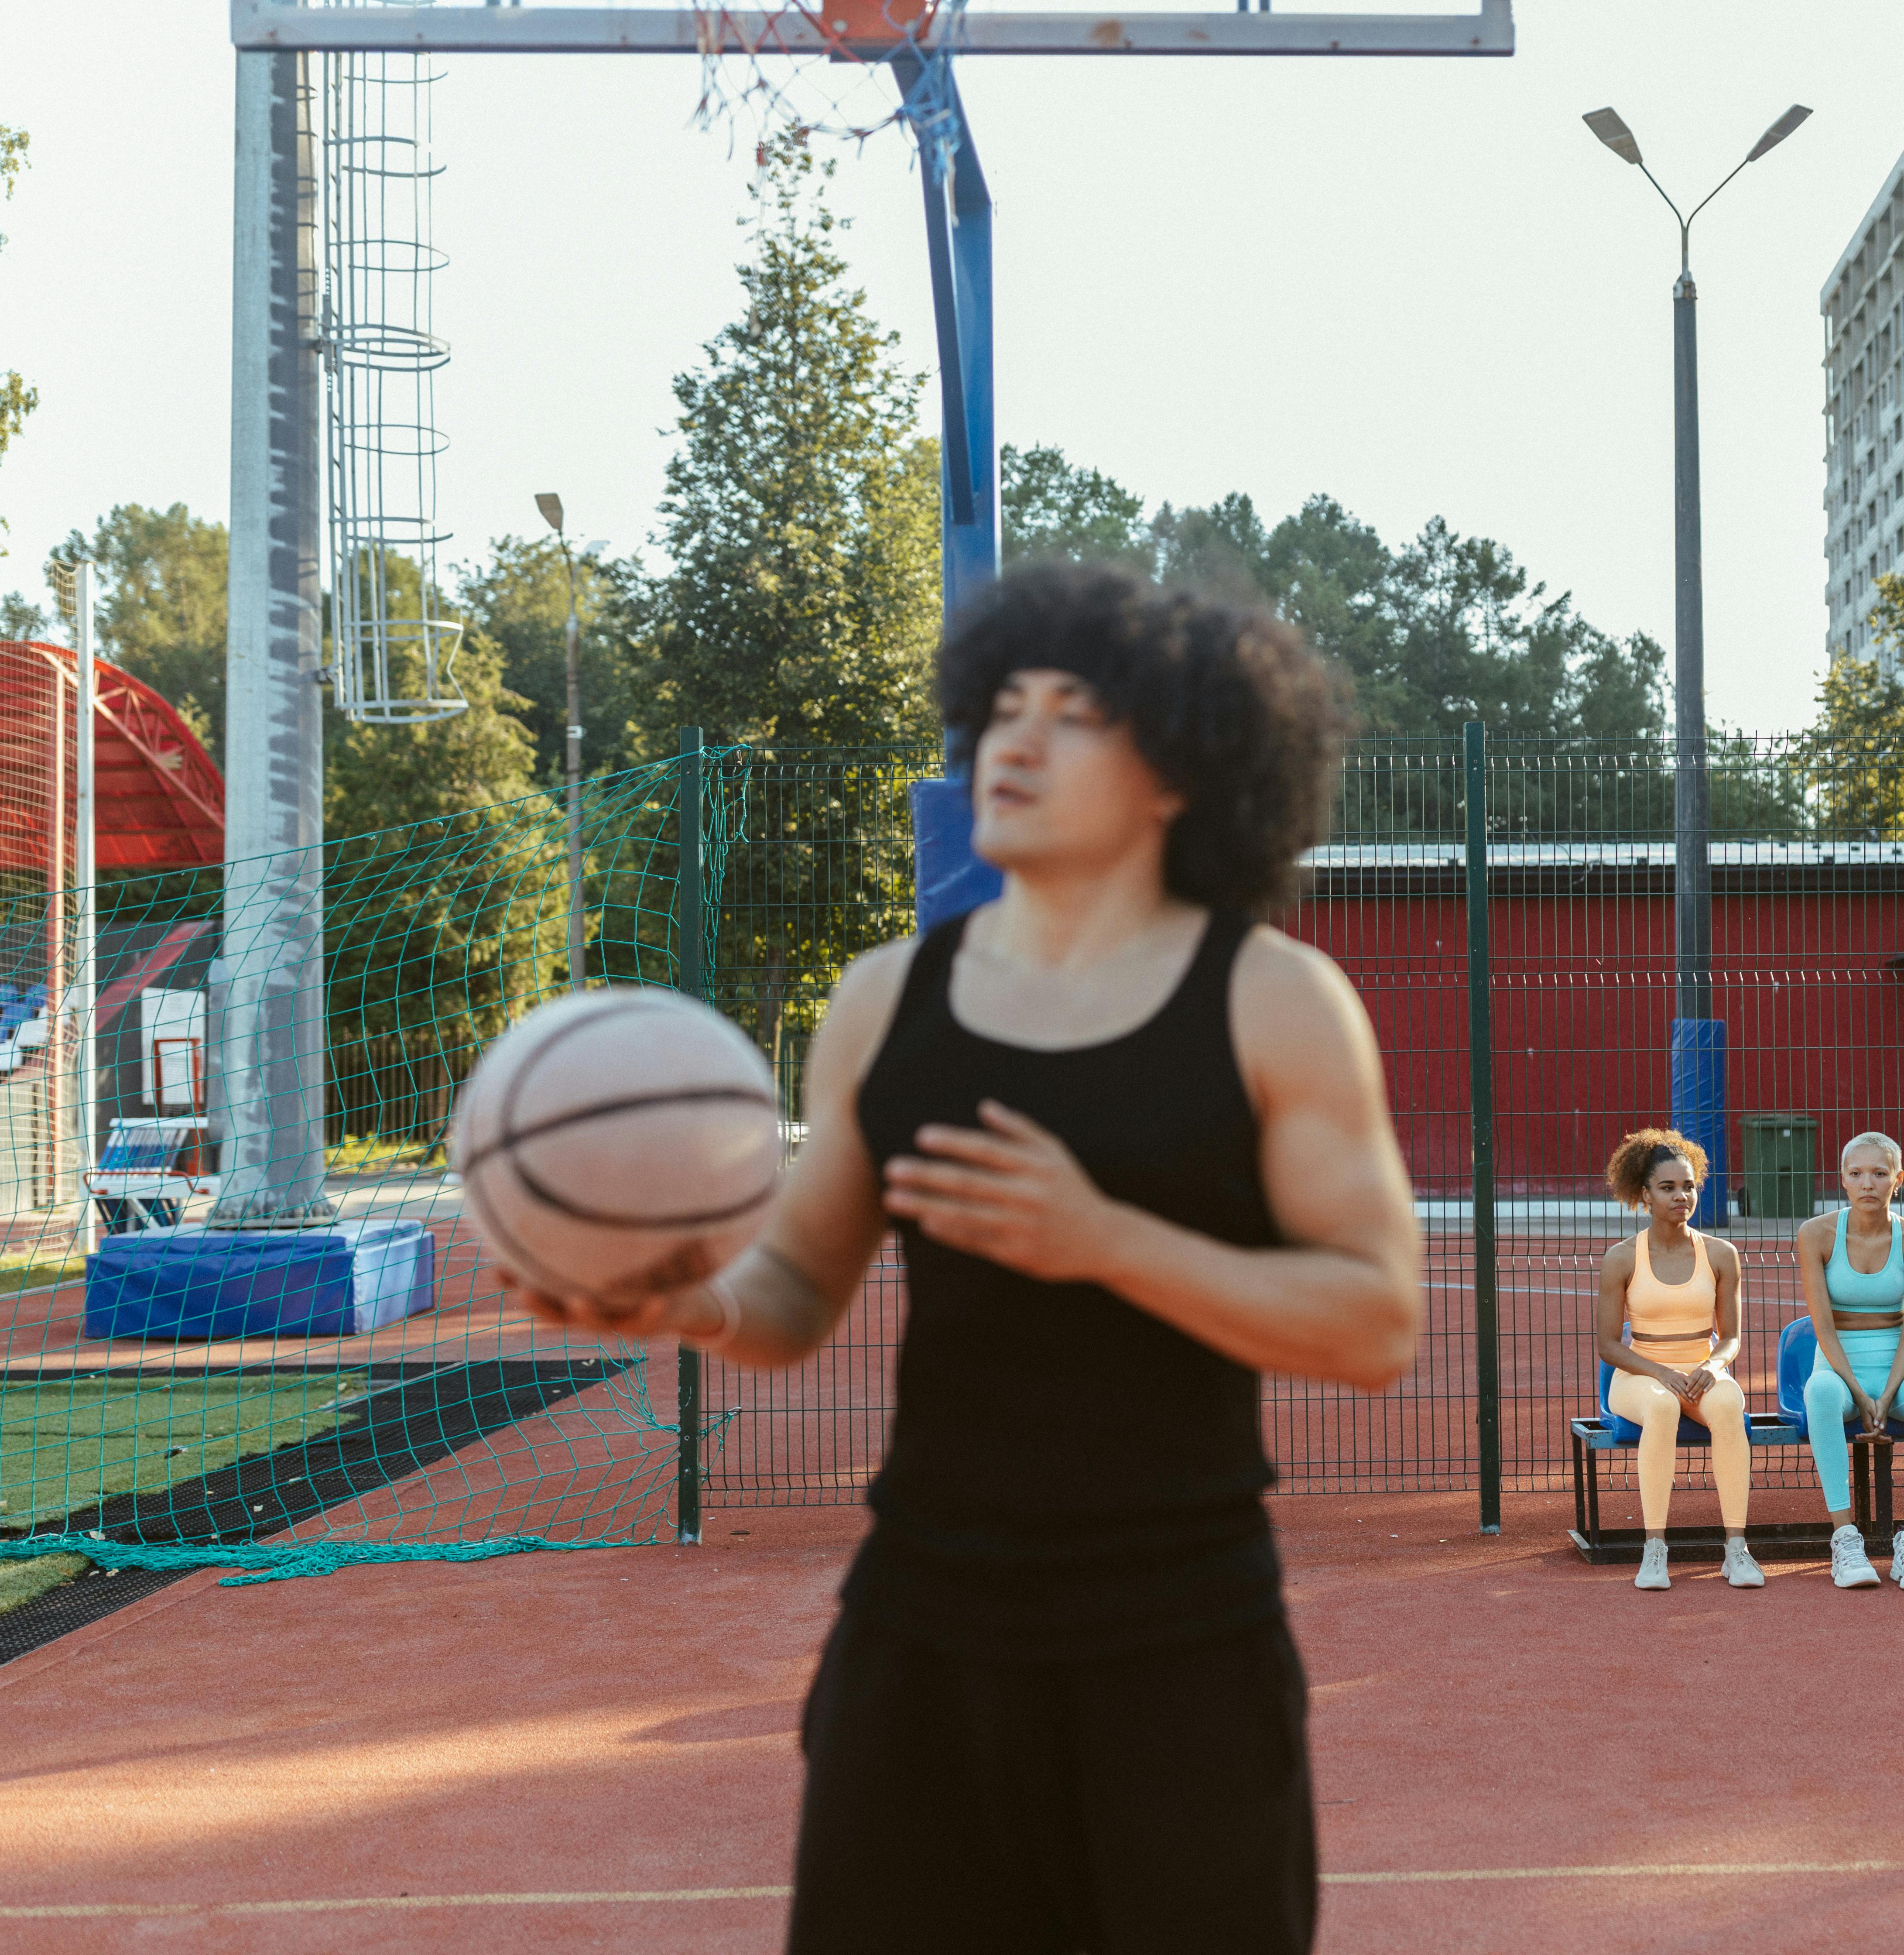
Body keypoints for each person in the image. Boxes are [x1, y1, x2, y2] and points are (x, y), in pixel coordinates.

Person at [510, 562, 1425, 1955]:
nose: (1014, 737)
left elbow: (1372, 1320)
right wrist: (679, 1295)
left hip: (1177, 1643)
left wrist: (1102, 1235)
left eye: (1073, 713)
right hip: (923, 1636)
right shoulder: (886, 999)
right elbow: (796, 1291)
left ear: (1180, 771)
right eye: (1002, 704)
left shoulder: (1273, 1000)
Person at [1592, 1129, 1760, 1593]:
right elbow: (1609, 1345)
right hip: (1640, 1376)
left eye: (1688, 1186)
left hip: (1701, 1373)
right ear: (1644, 1194)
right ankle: (1654, 1548)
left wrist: (1714, 1366)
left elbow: (1731, 1337)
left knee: (1729, 1404)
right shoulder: (1621, 1258)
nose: (1681, 1196)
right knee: (1663, 1407)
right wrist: (1662, 1373)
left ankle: (1737, 1548)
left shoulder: (1722, 1254)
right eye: (1668, 1188)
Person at [1793, 1130, 1904, 1592]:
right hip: (1838, 1370)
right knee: (1821, 1393)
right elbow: (1823, 1328)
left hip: (1898, 1373)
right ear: (1843, 1180)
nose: (1868, 1183)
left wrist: (1885, 1394)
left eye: (1880, 1174)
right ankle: (1846, 1539)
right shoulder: (1816, 1234)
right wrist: (1860, 1394)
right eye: (1857, 1174)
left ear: (1898, 1180)